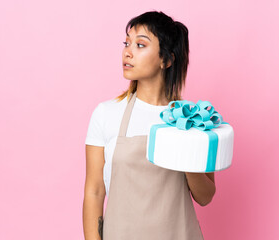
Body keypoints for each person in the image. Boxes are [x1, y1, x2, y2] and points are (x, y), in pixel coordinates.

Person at [83, 10, 216, 240]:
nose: (128, 51)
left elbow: (205, 196)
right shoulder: (106, 114)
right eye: (127, 43)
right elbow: (94, 192)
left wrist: (185, 148)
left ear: (166, 59)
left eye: (140, 45)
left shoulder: (192, 118)